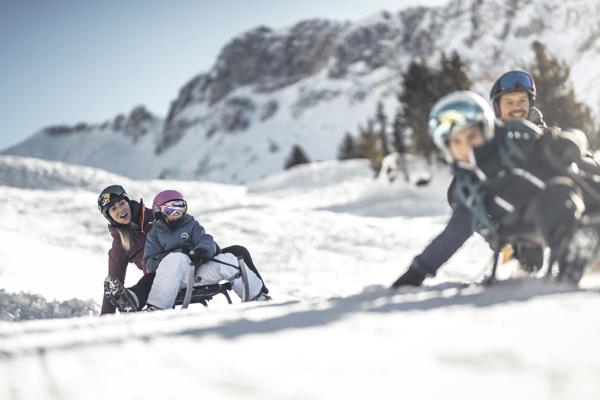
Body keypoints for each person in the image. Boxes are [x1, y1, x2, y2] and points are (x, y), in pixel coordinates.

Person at [391, 90, 598, 288]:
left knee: (555, 192)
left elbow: (573, 157)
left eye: (471, 137)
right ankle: (568, 256)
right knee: (548, 202)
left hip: (584, 203)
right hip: (531, 230)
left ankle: (580, 247)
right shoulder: (469, 188)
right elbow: (453, 234)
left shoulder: (516, 145)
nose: (466, 147)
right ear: (447, 147)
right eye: (457, 142)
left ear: (486, 129)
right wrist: (417, 271)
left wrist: (565, 145)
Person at [143, 190, 270, 310]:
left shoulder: (191, 224)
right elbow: (149, 262)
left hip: (199, 274)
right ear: (158, 211)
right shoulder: (154, 235)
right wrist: (180, 254)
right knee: (176, 258)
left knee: (228, 259)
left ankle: (257, 296)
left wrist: (202, 250)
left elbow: (206, 239)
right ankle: (157, 307)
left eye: (180, 207)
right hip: (177, 278)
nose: (177, 213)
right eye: (171, 209)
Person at [97, 185, 155, 315]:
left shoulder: (154, 218)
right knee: (152, 277)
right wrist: (105, 317)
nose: (121, 209)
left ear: (128, 202)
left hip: (182, 264)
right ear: (109, 216)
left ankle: (134, 298)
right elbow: (113, 283)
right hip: (156, 279)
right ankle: (131, 299)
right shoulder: (120, 244)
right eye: (113, 208)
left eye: (122, 203)